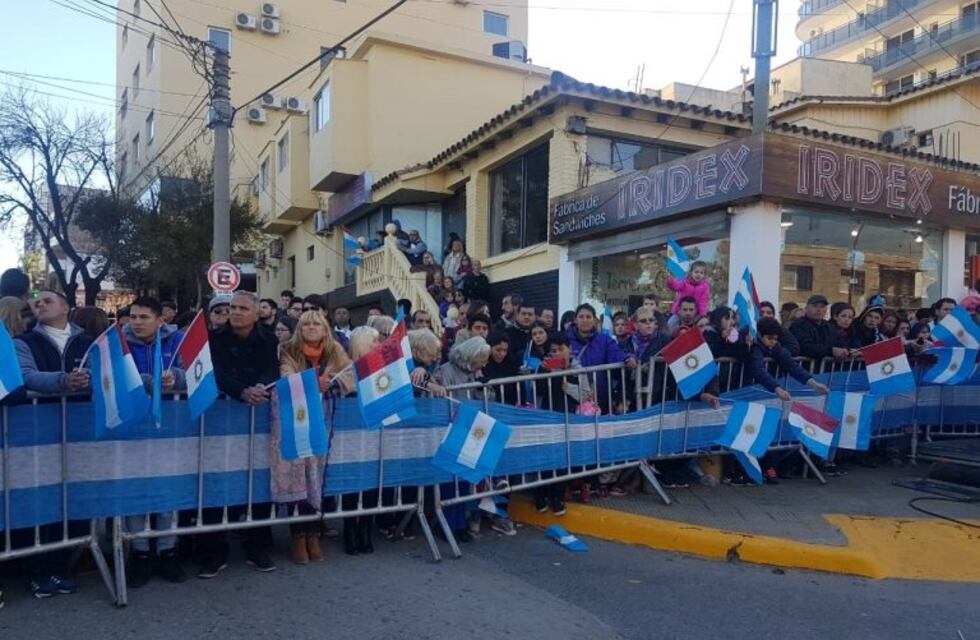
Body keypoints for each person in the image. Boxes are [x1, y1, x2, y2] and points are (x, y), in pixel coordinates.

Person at [13, 290, 90, 598]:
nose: (40, 304)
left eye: (48, 300)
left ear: (66, 308)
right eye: (37, 302)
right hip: (38, 435)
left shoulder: (88, 342)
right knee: (40, 502)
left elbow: (104, 375)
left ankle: (61, 566)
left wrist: (87, 380)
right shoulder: (24, 342)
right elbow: (28, 377)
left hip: (80, 434)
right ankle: (39, 570)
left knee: (71, 502)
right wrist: (63, 381)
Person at [199, 291, 278, 578]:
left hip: (257, 417)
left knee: (257, 482)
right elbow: (214, 373)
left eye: (243, 308)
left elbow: (271, 368)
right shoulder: (214, 337)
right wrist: (241, 391)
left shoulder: (268, 338)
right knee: (217, 481)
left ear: (257, 313)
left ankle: (257, 547)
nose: (236, 312)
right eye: (232, 307)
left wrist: (260, 386)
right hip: (220, 417)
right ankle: (214, 552)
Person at [275, 310, 354, 564]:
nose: (310, 327)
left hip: (324, 417)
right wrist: (312, 383)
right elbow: (286, 376)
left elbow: (350, 376)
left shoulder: (336, 350)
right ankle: (298, 535)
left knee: (316, 475)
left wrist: (329, 382)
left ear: (325, 328)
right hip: (296, 418)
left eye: (316, 323)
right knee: (296, 474)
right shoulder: (288, 349)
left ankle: (314, 532)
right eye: (306, 323)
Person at [121, 296, 187, 586]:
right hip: (131, 428)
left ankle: (167, 551)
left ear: (161, 320)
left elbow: (195, 372)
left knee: (168, 490)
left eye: (143, 317)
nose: (136, 322)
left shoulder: (178, 340)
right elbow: (120, 377)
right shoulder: (118, 343)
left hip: (171, 427)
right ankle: (139, 553)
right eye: (133, 317)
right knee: (134, 491)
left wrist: (176, 378)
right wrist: (153, 381)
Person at [748, 317, 829, 483]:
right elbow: (758, 370)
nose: (773, 342)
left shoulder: (774, 346)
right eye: (769, 339)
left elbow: (791, 365)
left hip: (764, 395)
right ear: (760, 335)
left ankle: (768, 467)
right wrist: (777, 388)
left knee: (772, 431)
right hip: (748, 393)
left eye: (776, 339)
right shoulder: (754, 346)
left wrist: (812, 383)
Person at [566, 303, 636, 414]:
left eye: (588, 317)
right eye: (581, 317)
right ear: (575, 320)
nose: (585, 320)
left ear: (594, 320)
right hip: (573, 399)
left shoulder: (604, 340)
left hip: (600, 398)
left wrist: (626, 358)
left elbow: (615, 353)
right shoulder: (565, 339)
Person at [790, 294, 848, 362]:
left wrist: (848, 351)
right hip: (804, 369)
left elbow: (841, 344)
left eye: (822, 306)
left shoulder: (830, 327)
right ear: (806, 308)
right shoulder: (798, 325)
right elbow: (804, 347)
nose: (819, 309)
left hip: (828, 370)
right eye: (815, 306)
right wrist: (831, 350)